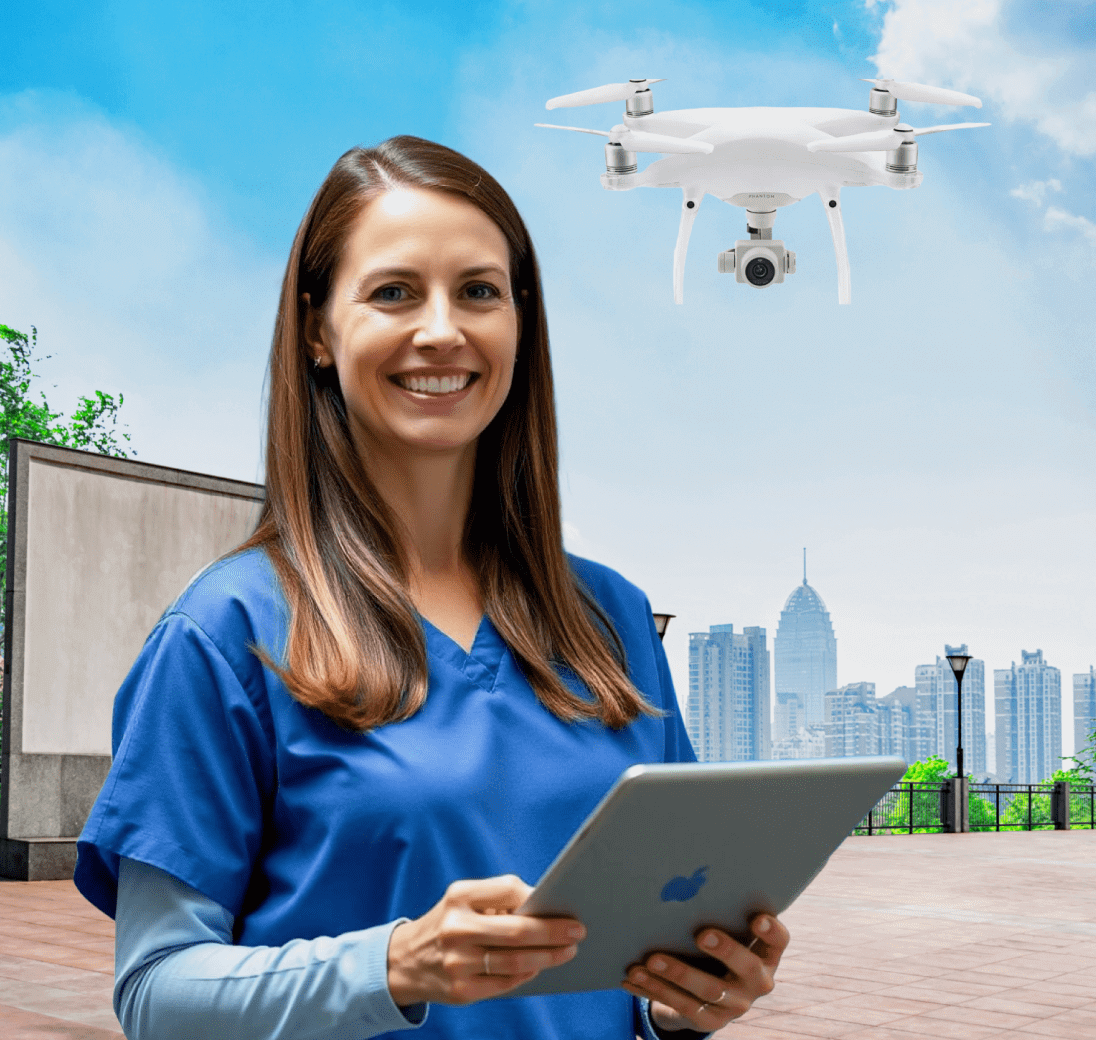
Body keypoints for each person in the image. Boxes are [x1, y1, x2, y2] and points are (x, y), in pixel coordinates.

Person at [74, 136, 788, 1040]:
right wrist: (393, 966)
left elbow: (640, 956)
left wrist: (679, 1006)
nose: (443, 328)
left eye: (480, 291)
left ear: (520, 327)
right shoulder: (225, 633)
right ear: (317, 331)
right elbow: (156, 995)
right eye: (394, 292)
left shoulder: (611, 619)